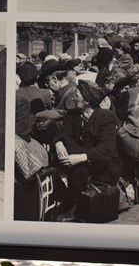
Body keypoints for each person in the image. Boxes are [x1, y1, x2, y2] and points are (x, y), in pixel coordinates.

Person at [53, 81, 123, 221]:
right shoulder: (74, 115)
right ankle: (73, 201)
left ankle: (75, 205)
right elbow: (64, 133)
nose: (73, 98)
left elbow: (106, 149)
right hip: (83, 162)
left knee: (77, 164)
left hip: (103, 165)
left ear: (86, 101)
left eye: (76, 95)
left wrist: (81, 157)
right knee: (68, 145)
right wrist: (58, 142)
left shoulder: (105, 117)